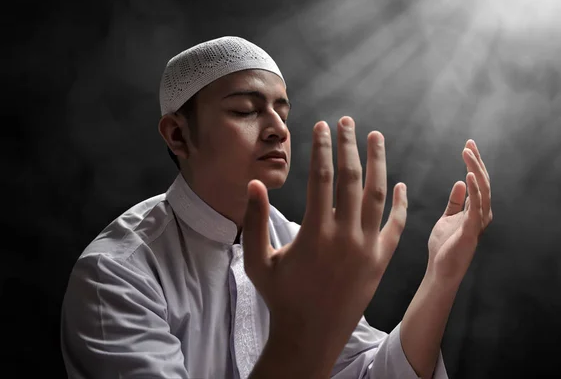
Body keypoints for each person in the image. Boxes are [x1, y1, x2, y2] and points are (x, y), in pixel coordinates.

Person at [61, 36, 493, 379]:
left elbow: (368, 372)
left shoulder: (295, 241)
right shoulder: (116, 275)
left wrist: (442, 275)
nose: (277, 130)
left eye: (282, 112)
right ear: (177, 135)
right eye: (246, 110)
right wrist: (302, 333)